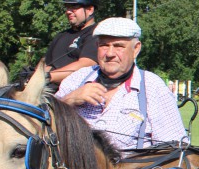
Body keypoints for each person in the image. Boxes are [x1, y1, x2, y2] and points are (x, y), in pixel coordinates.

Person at [56, 17, 187, 154]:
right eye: (104, 45)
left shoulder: (153, 87)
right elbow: (43, 125)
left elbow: (175, 151)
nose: (110, 53)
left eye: (119, 46)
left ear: (136, 49)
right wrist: (68, 100)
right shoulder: (77, 79)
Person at [45, 0, 100, 87]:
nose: (68, 11)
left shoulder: (96, 34)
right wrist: (33, 76)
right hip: (49, 90)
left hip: (77, 93)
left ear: (90, 9)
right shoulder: (60, 36)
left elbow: (86, 64)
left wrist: (48, 77)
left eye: (74, 7)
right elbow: (47, 65)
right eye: (67, 7)